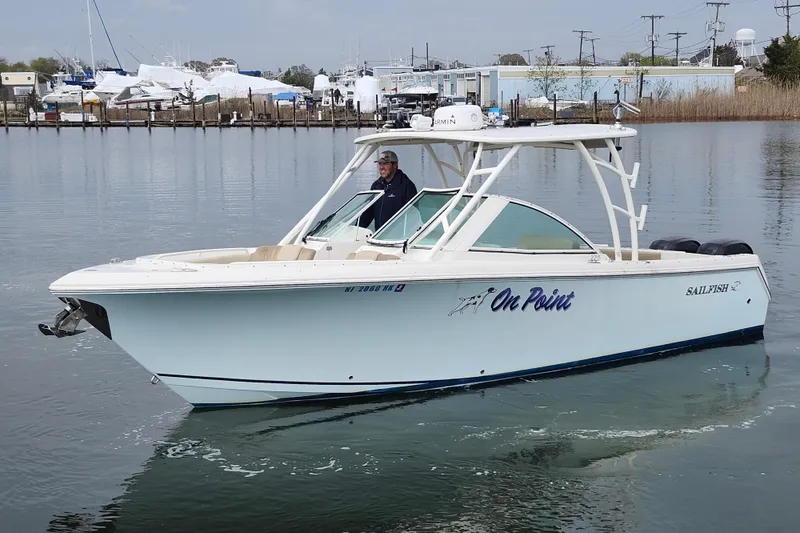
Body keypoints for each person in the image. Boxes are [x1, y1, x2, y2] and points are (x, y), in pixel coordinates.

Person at [358, 150, 417, 230]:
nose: (382, 167)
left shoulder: (407, 186)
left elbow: (413, 216)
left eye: (385, 164)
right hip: (378, 238)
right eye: (380, 163)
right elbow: (368, 213)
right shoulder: (376, 186)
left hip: (399, 239)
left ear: (395, 165)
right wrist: (354, 230)